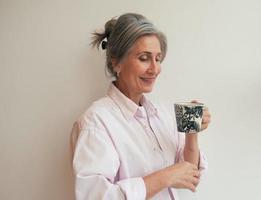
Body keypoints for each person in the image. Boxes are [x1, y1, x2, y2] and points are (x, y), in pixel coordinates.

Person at [70, 13, 211, 200]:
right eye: (144, 58)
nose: (155, 69)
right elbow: (96, 196)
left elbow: (190, 176)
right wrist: (166, 176)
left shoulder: (162, 114)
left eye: (158, 59)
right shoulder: (96, 122)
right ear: (116, 61)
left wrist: (191, 131)